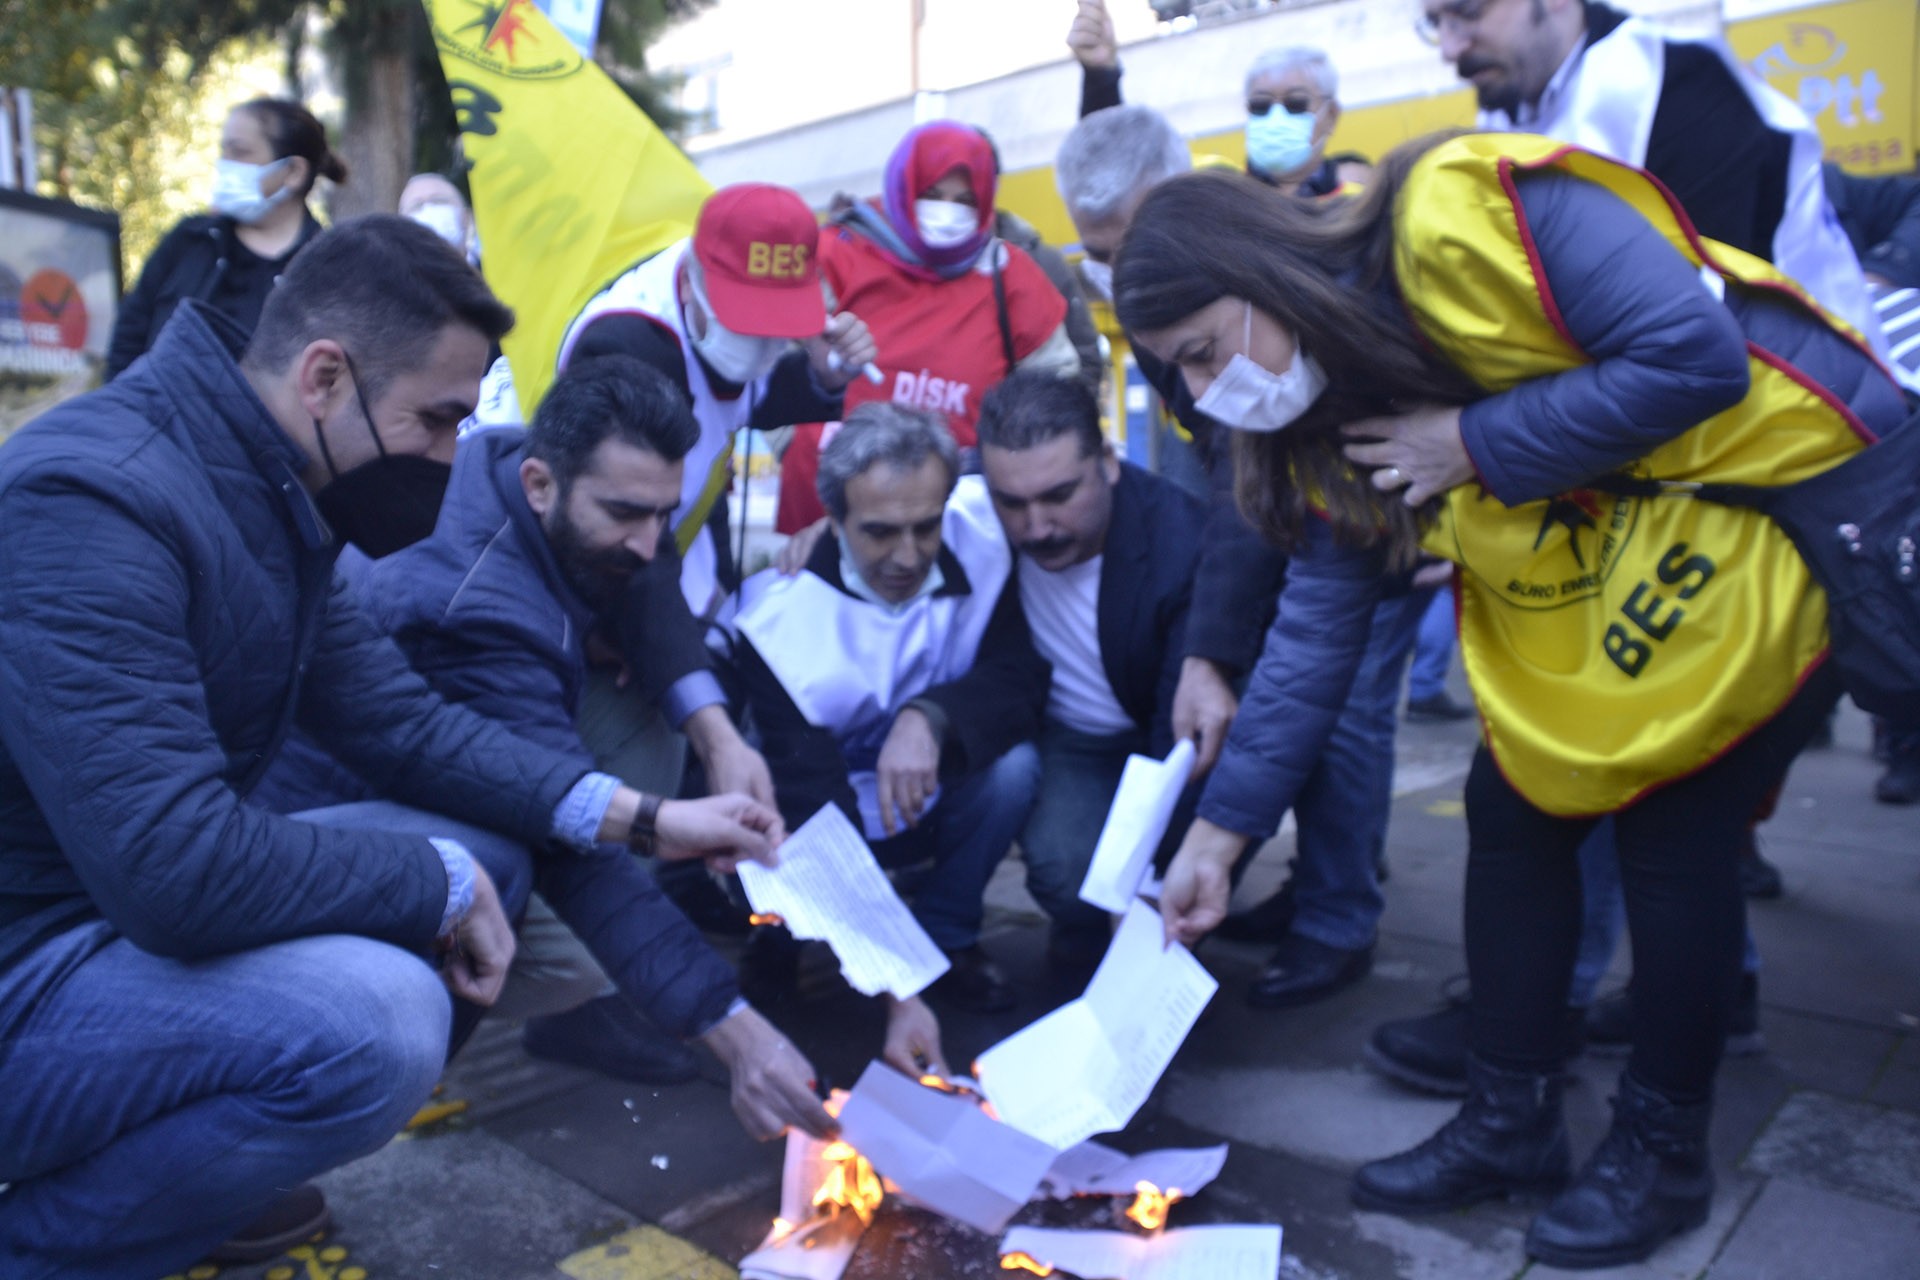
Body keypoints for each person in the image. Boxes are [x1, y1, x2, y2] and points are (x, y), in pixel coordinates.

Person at [1120, 136, 1907, 1268]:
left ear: (1264, 275)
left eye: (1201, 352)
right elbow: (1315, 629)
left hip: (1774, 511)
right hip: (1633, 563)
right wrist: (1220, 829)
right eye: (1178, 375)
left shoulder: (1455, 214)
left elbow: (1695, 357)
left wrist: (1471, 442)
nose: (1204, 392)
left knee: (1673, 824)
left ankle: (1664, 1147)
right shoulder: (1321, 410)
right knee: (1515, 807)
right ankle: (1511, 1119)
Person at [0, 216, 835, 1277]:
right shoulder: (96, 500)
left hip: (107, 912)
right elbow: (172, 868)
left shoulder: (265, 482)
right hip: (31, 959)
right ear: (324, 377)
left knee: (488, 859)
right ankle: (43, 1247)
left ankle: (177, 1172)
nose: (452, 455)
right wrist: (425, 879)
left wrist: (647, 818)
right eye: (438, 420)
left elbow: (402, 724)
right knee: (380, 1027)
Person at [279, 353, 947, 1084]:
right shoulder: (470, 606)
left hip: (459, 745)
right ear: (541, 486)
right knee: (559, 938)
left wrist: (717, 737)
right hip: (329, 822)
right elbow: (572, 844)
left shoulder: (512, 460)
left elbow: (649, 588)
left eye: (664, 513)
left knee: (659, 714)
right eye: (625, 514)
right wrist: (731, 1028)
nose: (649, 541)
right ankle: (364, 1040)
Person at [1057, 101, 1427, 1008]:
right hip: (1293, 527)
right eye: (1099, 255)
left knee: (1338, 718)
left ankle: (1339, 919)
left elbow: (1244, 473)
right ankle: (1314, 893)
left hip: (1374, 515)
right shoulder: (1164, 310)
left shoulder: (1244, 269)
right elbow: (1241, 475)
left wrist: (1212, 650)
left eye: (1130, 241)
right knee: (1289, 709)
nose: (1123, 273)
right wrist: (1213, 649)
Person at [732, 404, 1048, 1014]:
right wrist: (895, 977)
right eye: (879, 532)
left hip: (922, 794)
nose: (907, 556)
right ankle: (780, 931)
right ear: (833, 519)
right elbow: (815, 801)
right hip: (820, 810)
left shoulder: (983, 538)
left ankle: (947, 936)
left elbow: (1020, 679)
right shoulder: (778, 619)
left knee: (1015, 770)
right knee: (759, 794)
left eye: (926, 527)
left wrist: (929, 716)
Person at [1419, 0, 1896, 374]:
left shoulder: (1673, 79)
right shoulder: (1506, 109)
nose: (1449, 49)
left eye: (1466, 10)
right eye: (1434, 22)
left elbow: (1690, 329)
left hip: (1818, 413)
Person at [974, 371, 1207, 974]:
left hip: (1171, 740)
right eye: (1013, 503)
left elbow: (1181, 738)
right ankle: (1082, 928)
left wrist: (1145, 875)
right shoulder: (973, 523)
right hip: (1071, 743)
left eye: (1058, 496)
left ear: (1106, 461)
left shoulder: (1181, 543)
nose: (1036, 528)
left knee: (1159, 872)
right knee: (1069, 870)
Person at [773, 120, 1077, 532]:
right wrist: (791, 444)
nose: (948, 210)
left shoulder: (1012, 275)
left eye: (965, 199)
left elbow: (1058, 391)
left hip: (967, 516)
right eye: (932, 194)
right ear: (902, 186)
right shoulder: (836, 255)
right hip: (830, 506)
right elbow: (772, 361)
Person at [107, 97, 342, 380]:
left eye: (240, 152)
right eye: (224, 151)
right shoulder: (189, 239)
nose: (225, 165)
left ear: (293, 172)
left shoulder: (328, 268)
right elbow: (128, 338)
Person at [1068, 0, 1355, 198]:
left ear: (1331, 115)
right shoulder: (1211, 191)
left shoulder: (1362, 208)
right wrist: (1100, 75)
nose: (1275, 117)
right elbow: (1120, 167)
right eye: (1260, 106)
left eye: (1295, 104)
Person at [399, 172, 479, 266]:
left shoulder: (493, 270)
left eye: (438, 201)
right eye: (417, 206)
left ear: (467, 218)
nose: (429, 210)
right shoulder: (389, 278)